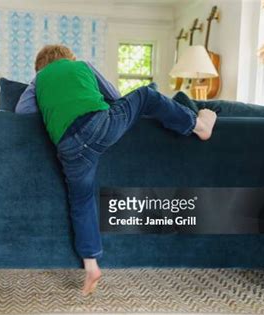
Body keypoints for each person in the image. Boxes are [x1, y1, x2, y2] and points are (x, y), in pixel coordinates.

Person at [15, 44, 217, 295]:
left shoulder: (37, 81)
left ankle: (91, 265)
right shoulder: (82, 66)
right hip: (100, 125)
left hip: (68, 146)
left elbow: (21, 112)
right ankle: (199, 125)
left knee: (81, 201)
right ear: (69, 59)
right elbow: (114, 94)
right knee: (146, 95)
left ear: (39, 68)